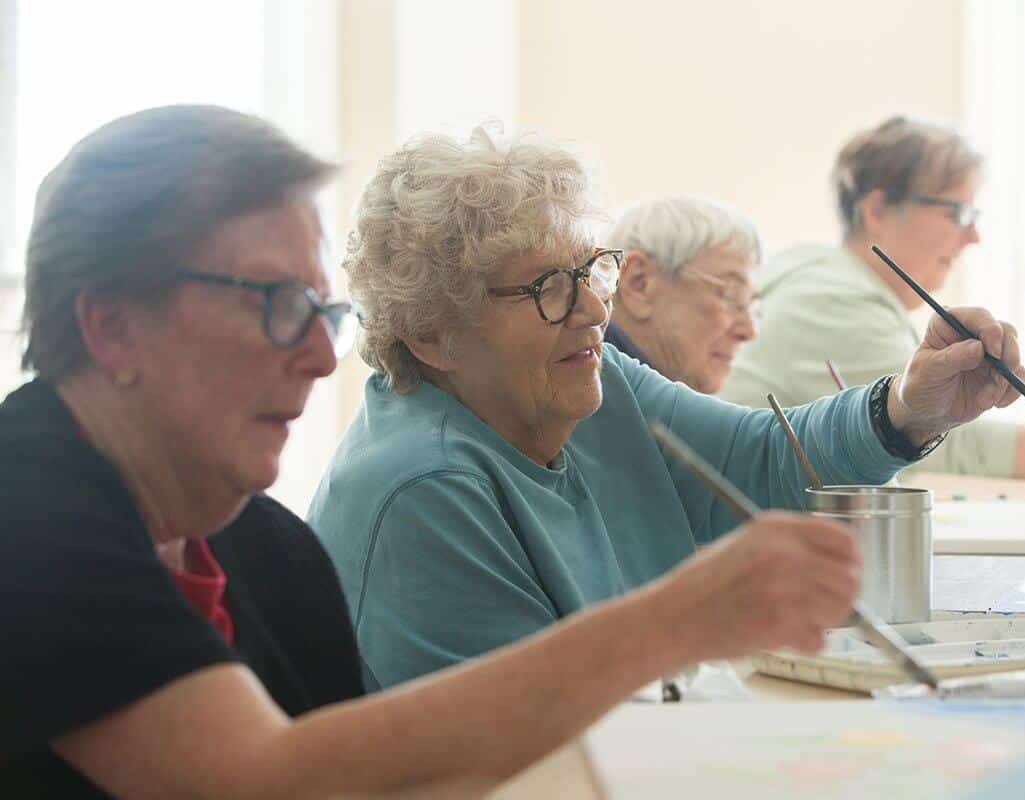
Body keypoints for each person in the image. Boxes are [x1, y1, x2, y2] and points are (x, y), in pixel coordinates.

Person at [1, 105, 873, 799]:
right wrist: (676, 620)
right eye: (271, 303)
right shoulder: (29, 518)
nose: (315, 354)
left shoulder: (266, 551)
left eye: (320, 310)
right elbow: (257, 780)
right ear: (111, 325)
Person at [308, 124, 1025, 688]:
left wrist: (910, 406)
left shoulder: (592, 384)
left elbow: (763, 456)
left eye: (592, 269)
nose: (592, 307)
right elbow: (534, 744)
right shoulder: (425, 492)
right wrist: (696, 621)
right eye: (547, 288)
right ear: (432, 331)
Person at [720, 116, 1025, 480]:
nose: (973, 236)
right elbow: (950, 445)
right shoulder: (831, 301)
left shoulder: (822, 275)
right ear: (877, 211)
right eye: (956, 212)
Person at [603, 195, 760, 393]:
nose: (749, 331)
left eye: (752, 306)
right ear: (639, 283)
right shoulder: (588, 402)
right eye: (731, 295)